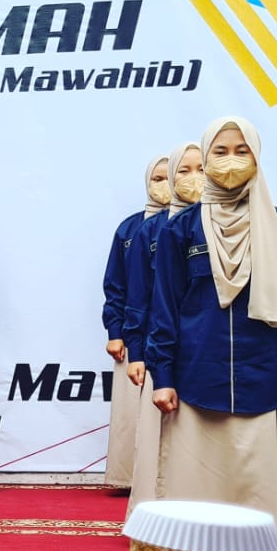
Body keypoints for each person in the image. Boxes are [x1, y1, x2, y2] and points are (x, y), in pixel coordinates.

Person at [148, 117, 277, 551]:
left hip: (263, 384)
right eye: (220, 151)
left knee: (260, 498)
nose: (232, 161)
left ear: (258, 157)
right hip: (196, 383)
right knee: (195, 498)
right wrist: (163, 376)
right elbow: (164, 307)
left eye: (242, 151)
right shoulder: (181, 229)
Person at [123, 145, 201, 512]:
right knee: (157, 439)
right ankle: (153, 518)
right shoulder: (150, 231)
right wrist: (137, 351)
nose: (193, 178)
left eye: (201, 169)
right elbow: (138, 295)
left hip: (205, 351)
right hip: (161, 349)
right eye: (183, 171)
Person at [102, 160, 161, 494]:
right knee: (130, 413)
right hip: (134, 333)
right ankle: (127, 478)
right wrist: (116, 331)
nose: (163, 185)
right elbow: (117, 284)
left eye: (170, 177)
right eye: (156, 178)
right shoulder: (130, 229)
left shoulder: (196, 225)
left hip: (174, 334)